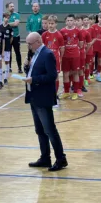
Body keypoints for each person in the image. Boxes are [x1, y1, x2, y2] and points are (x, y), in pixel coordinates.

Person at [23, 32, 67, 171]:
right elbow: (33, 72)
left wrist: (34, 80)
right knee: (40, 130)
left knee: (50, 130)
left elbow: (52, 75)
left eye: (29, 44)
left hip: (43, 97)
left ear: (37, 41)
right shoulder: (34, 54)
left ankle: (61, 159)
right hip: (34, 96)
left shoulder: (47, 54)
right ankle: (45, 158)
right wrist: (26, 67)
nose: (28, 46)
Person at [59, 15, 83, 100]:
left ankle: (75, 92)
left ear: (74, 21)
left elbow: (81, 44)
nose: (69, 22)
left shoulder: (78, 31)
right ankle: (66, 92)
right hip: (65, 56)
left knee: (75, 73)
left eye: (71, 20)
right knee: (65, 74)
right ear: (66, 22)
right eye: (68, 20)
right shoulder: (62, 31)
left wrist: (74, 48)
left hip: (75, 56)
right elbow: (60, 44)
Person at [7, 2, 22, 72]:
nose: (12, 7)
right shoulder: (5, 15)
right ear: (7, 8)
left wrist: (7, 24)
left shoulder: (17, 15)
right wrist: (10, 24)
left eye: (13, 6)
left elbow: (16, 24)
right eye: (11, 6)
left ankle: (19, 68)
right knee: (8, 52)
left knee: (17, 52)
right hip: (8, 37)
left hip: (16, 36)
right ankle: (9, 68)